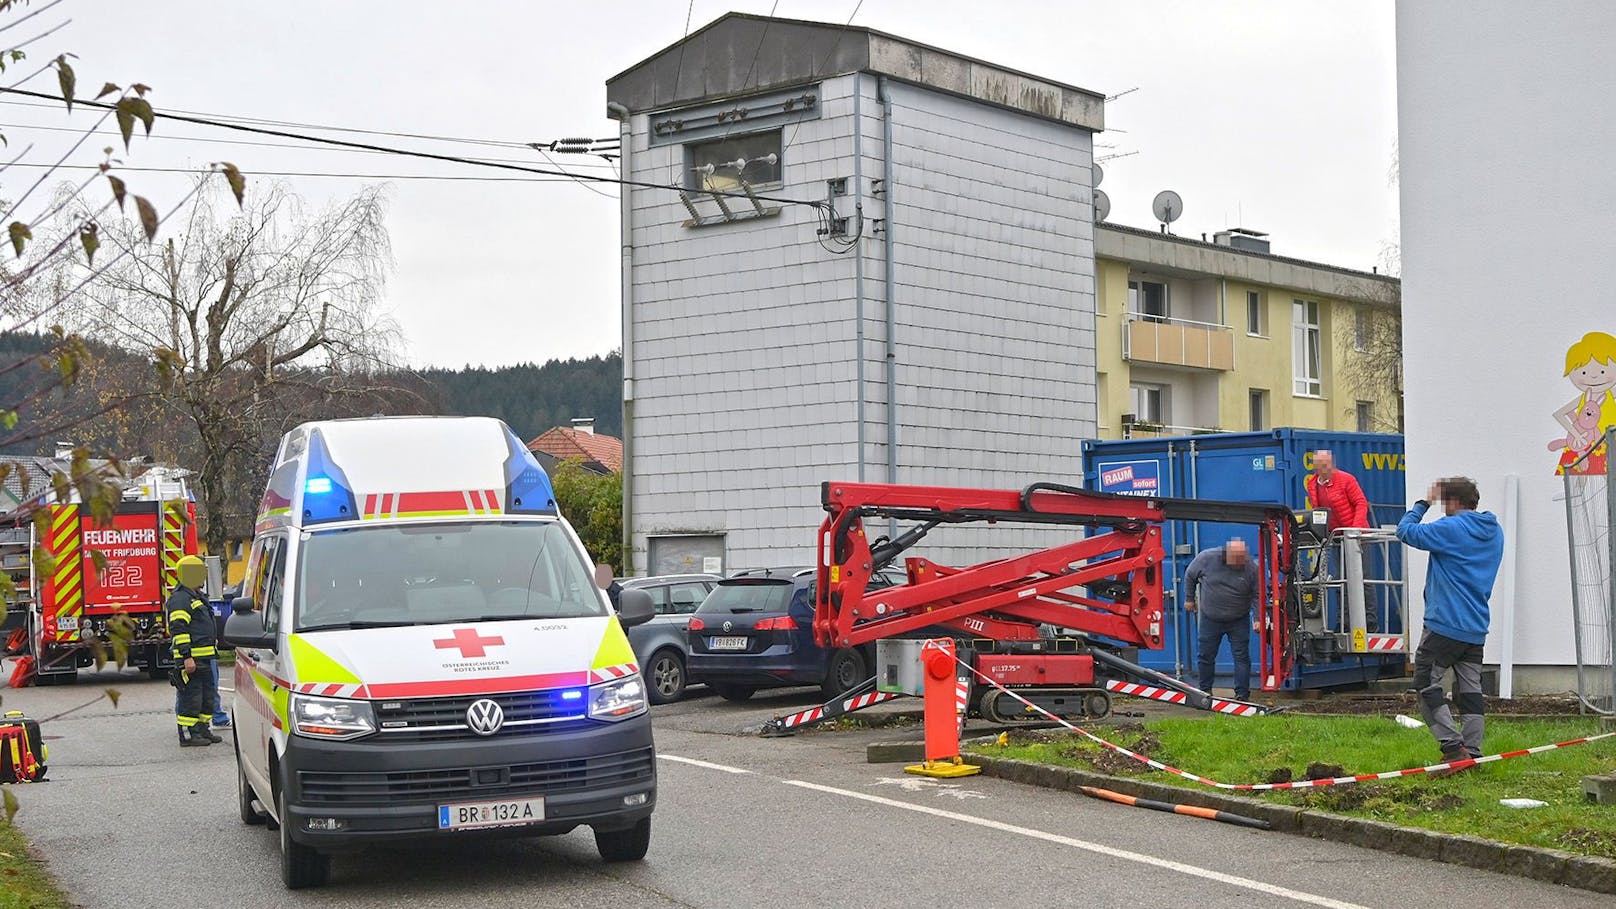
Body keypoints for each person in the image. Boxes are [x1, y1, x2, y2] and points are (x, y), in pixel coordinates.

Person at [1395, 477, 1503, 774]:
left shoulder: (1452, 527)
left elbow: (1405, 531)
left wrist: (1423, 503)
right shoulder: (1494, 532)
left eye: (1444, 504)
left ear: (1453, 502)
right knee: (1470, 691)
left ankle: (1454, 750)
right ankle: (1474, 753)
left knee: (1426, 683)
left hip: (1444, 625)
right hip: (1475, 626)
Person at [1184, 538, 1260, 702]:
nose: (1241, 562)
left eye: (1243, 558)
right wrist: (1189, 599)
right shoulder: (1207, 558)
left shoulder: (1251, 567)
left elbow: (1257, 595)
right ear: (1227, 555)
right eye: (1237, 559)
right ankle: (1204, 691)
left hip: (1238, 619)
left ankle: (1242, 694)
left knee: (1241, 657)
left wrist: (1258, 618)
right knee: (1205, 656)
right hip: (1210, 618)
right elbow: (1190, 575)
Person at [167, 556, 222, 748]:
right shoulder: (180, 599)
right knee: (191, 697)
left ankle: (202, 729)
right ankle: (188, 735)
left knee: (206, 696)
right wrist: (186, 657)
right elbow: (179, 630)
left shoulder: (196, 596)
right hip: (191, 659)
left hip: (205, 657)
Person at [1305, 449, 1371, 531]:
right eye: (1320, 463)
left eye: (1326, 463)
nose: (1324, 466)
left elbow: (1361, 503)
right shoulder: (1312, 484)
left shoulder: (1346, 479)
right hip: (1333, 534)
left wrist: (1356, 528)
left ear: (1332, 464)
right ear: (1315, 466)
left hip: (1355, 534)